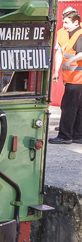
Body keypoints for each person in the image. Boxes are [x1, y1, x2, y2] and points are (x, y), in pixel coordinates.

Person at [49, 9, 82, 144]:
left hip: (76, 79)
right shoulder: (73, 34)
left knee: (68, 107)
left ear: (75, 22)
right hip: (76, 79)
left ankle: (65, 136)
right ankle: (78, 135)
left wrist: (68, 62)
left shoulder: (79, 35)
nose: (64, 25)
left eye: (67, 22)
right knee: (78, 108)